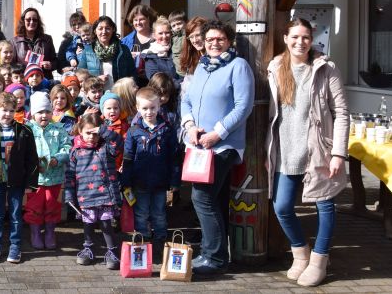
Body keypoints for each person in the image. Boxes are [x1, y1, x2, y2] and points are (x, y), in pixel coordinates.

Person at [265, 18, 349, 287]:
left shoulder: (326, 68)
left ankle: (319, 260)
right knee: (282, 207)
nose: (300, 42)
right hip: (285, 148)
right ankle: (300, 253)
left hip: (319, 149)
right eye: (295, 37)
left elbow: (342, 114)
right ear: (285, 38)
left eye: (306, 37)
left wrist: (339, 153)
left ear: (312, 40)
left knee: (324, 203)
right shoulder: (276, 67)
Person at [181, 19, 254, 275]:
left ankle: (213, 256)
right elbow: (186, 100)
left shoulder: (238, 66)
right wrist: (190, 126)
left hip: (223, 147)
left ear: (229, 41)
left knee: (201, 197)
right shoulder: (202, 66)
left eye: (219, 39)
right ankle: (217, 253)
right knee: (215, 199)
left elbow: (243, 107)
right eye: (210, 39)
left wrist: (217, 133)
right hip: (199, 146)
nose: (214, 43)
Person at [122, 87, 180, 262]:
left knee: (159, 214)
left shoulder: (167, 130)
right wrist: (126, 182)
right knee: (141, 214)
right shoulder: (133, 131)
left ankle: (161, 244)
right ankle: (143, 244)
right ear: (138, 108)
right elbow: (128, 158)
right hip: (140, 183)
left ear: (159, 106)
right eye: (145, 108)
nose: (149, 112)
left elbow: (174, 157)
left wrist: (175, 181)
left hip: (161, 182)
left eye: (153, 108)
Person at [0, 92, 39, 264]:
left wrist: (31, 183)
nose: (7, 114)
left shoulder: (24, 131)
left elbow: (32, 159)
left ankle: (15, 246)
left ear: (16, 112)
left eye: (11, 110)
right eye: (4, 110)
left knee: (15, 215)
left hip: (17, 180)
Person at [65, 113, 122, 270]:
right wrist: (69, 195)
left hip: (105, 195)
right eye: (88, 133)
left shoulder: (106, 148)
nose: (91, 137)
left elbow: (118, 142)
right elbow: (70, 174)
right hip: (85, 195)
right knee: (88, 224)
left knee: (106, 224)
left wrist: (103, 131)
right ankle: (88, 248)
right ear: (80, 131)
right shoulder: (75, 151)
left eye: (95, 133)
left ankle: (112, 251)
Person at [25, 92, 71, 250]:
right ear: (32, 114)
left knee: (52, 204)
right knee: (35, 206)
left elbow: (67, 147)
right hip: (35, 178)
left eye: (47, 111)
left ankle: (50, 232)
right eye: (40, 112)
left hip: (54, 177)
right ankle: (35, 232)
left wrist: (57, 159)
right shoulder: (28, 129)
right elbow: (21, 150)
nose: (44, 115)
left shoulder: (59, 129)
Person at [77, 16, 136, 90]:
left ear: (113, 30)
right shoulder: (88, 51)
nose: (104, 32)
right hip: (96, 95)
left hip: (120, 95)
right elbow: (80, 75)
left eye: (107, 28)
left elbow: (132, 73)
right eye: (100, 29)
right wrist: (95, 80)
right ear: (95, 31)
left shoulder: (123, 49)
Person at [11, 7, 58, 79]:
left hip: (44, 81)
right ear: (23, 21)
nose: (32, 22)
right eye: (28, 19)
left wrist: (50, 65)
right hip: (23, 81)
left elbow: (56, 62)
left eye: (35, 20)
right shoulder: (14, 42)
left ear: (38, 22)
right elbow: (11, 65)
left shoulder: (47, 39)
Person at [120, 4, 157, 85]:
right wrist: (128, 58)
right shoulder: (125, 41)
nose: (138, 23)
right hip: (133, 83)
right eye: (135, 20)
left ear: (149, 19)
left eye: (141, 19)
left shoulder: (158, 38)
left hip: (154, 83)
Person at [141, 17, 181, 84]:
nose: (164, 36)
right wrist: (179, 85)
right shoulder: (150, 56)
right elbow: (156, 81)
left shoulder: (177, 49)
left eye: (167, 32)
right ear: (154, 35)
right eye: (160, 33)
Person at [178, 17, 208, 100]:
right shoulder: (192, 59)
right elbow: (185, 92)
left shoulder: (217, 59)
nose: (195, 40)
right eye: (191, 37)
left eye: (198, 35)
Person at [168, 11, 187, 77]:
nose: (177, 27)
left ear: (185, 22)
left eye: (179, 24)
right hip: (177, 72)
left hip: (187, 72)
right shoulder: (172, 37)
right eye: (173, 26)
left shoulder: (188, 36)